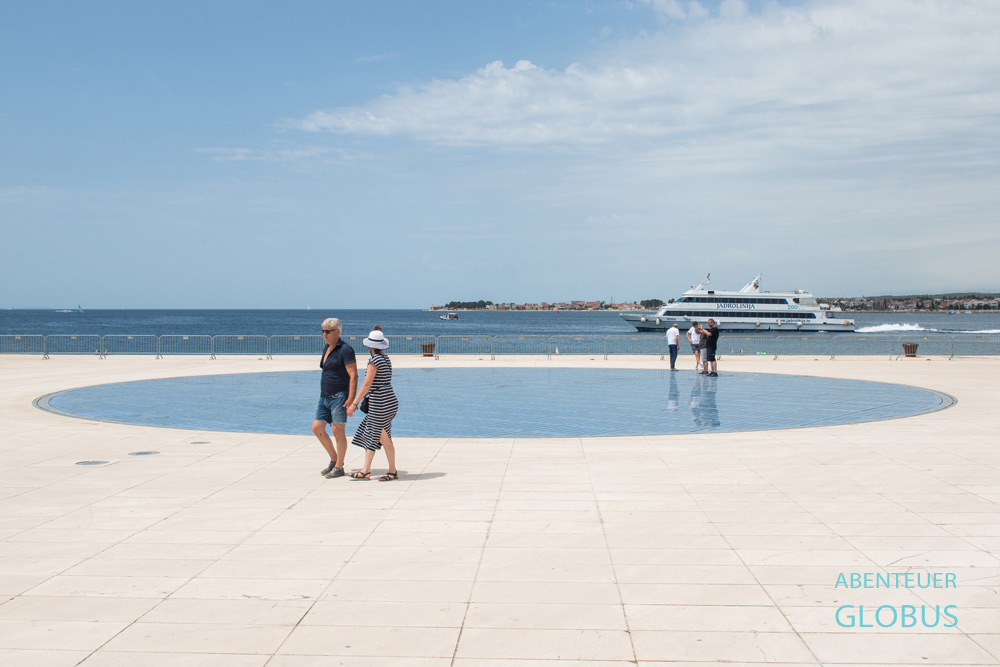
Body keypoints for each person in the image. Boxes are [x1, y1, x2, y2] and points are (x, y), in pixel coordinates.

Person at [347, 327, 399, 481]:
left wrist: (354, 404)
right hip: (389, 400)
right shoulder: (385, 358)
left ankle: (390, 471)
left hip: (379, 402)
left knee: (380, 436)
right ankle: (367, 470)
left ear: (369, 345)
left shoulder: (374, 360)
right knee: (378, 435)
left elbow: (366, 385)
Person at [313, 318, 357, 479]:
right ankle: (334, 459)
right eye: (323, 331)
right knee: (317, 428)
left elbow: (353, 375)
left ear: (337, 332)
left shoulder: (345, 350)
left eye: (327, 331)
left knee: (338, 431)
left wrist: (351, 398)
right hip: (324, 396)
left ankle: (339, 466)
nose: (324, 334)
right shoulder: (327, 348)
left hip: (339, 396)